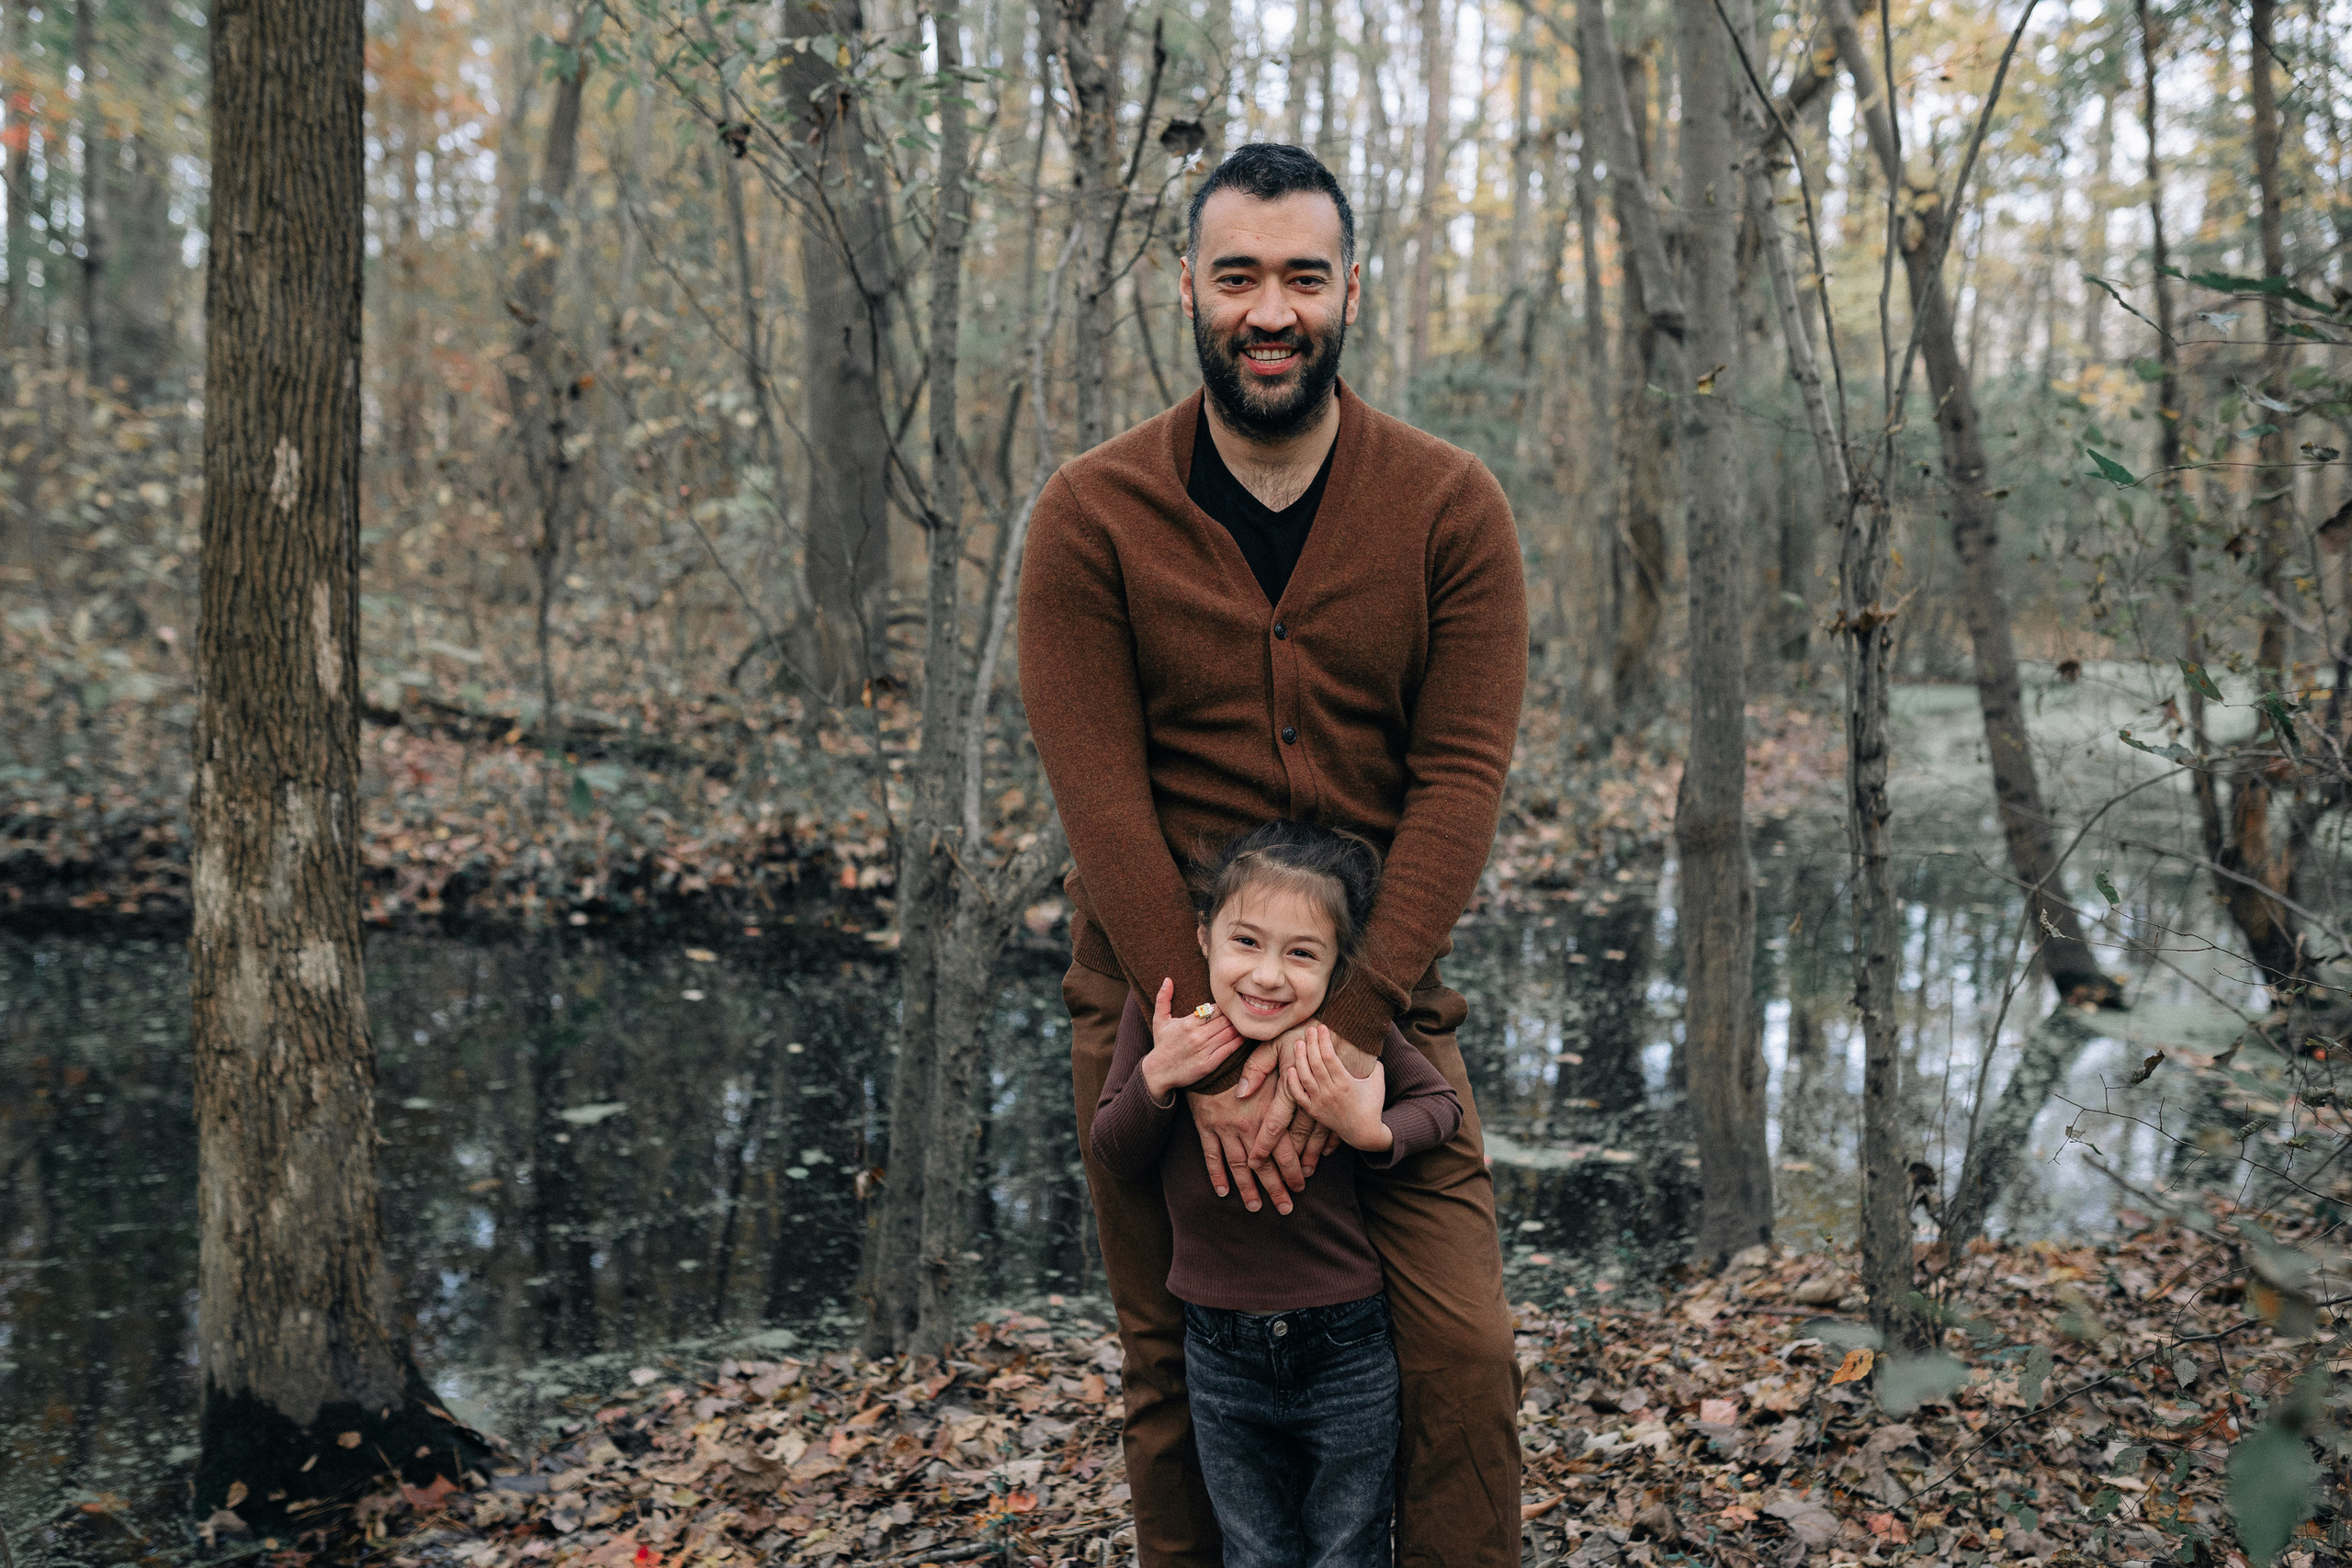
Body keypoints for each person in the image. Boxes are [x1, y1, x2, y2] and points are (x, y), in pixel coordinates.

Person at [1018, 141, 1528, 1568]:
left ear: (1350, 289)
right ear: (1188, 285)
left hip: (1383, 1008)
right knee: (1173, 1368)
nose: (1270, 309)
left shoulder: (1449, 508)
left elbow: (1460, 779)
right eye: (1237, 273)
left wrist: (1337, 1042)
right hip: (1155, 1016)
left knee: (1466, 1355)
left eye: (1304, 275)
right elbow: (1101, 800)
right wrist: (1223, 1046)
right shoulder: (1090, 515)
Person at [1090, 822, 1463, 1568]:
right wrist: (1158, 1078)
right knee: (1255, 1549)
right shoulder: (1166, 1022)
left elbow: (1441, 1105)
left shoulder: (1341, 1036)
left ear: (1337, 967)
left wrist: (1371, 1130)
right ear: (1202, 938)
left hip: (1348, 1342)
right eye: (1247, 942)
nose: (1267, 976)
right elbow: (1113, 1148)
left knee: (1349, 1546)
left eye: (1302, 954)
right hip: (1219, 1347)